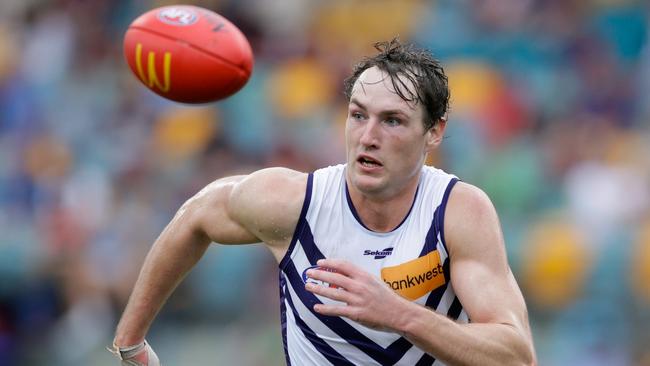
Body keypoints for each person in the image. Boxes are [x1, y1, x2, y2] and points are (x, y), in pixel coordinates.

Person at [109, 39, 537, 365]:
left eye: (392, 120)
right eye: (358, 114)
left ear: (434, 132)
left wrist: (397, 315)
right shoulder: (294, 203)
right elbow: (196, 215)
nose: (369, 136)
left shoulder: (457, 212)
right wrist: (130, 342)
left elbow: (516, 355)